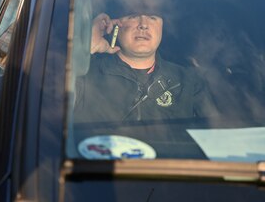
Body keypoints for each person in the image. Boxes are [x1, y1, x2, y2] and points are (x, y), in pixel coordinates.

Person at [74, 10, 217, 125]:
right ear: (114, 26)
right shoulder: (84, 74)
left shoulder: (189, 82)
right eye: (133, 16)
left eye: (153, 17)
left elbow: (218, 134)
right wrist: (87, 48)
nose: (143, 24)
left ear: (162, 26)